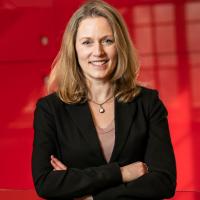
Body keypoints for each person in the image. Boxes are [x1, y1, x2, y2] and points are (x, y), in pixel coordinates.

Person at [32, 0, 176, 199]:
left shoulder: (148, 103)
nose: (98, 51)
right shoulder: (50, 110)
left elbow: (163, 182)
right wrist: (121, 173)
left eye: (107, 40)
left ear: (120, 45)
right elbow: (45, 183)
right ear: (73, 49)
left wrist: (90, 195)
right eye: (87, 42)